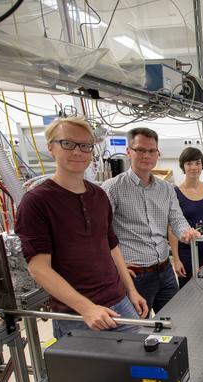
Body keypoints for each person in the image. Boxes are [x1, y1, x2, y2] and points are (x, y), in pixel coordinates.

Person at [14, 116, 148, 338]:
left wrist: (131, 291)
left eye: (85, 146)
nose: (78, 152)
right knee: (92, 373)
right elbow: (39, 268)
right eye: (68, 143)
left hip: (119, 301)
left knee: (136, 368)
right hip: (78, 315)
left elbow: (111, 246)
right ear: (51, 148)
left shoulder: (98, 195)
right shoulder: (36, 202)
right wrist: (87, 308)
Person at [102, 127, 200, 314]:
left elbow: (177, 219)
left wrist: (186, 232)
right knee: (139, 333)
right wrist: (114, 267)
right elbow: (100, 233)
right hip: (135, 277)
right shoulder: (112, 188)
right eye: (140, 150)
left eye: (151, 151)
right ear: (128, 152)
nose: (146, 155)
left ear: (158, 154)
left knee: (175, 324)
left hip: (165, 271)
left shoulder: (166, 188)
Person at [170, 147, 203, 288]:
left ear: (202, 165)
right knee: (189, 291)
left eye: (198, 163)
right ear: (183, 166)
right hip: (187, 252)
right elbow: (171, 229)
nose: (194, 167)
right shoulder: (175, 193)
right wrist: (176, 259)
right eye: (189, 163)